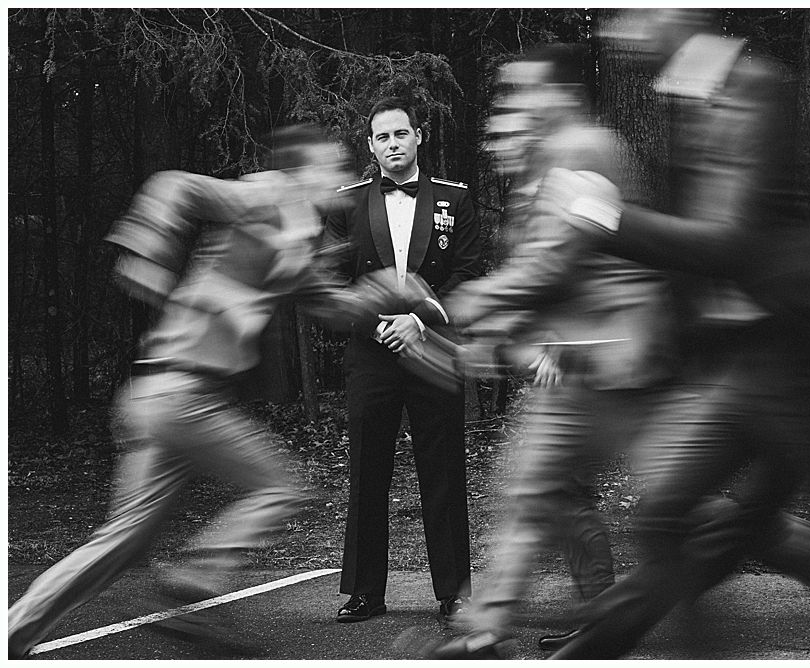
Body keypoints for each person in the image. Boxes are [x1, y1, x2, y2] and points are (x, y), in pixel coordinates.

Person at [536, 10, 810, 659]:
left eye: (637, 11)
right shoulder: (683, 95)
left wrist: (599, 215)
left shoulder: (752, 87)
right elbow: (693, 260)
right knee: (666, 517)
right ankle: (599, 647)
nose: (617, 27)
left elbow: (731, 241)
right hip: (740, 367)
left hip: (799, 368)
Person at [7, 125, 430, 659]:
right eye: (332, 165)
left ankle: (12, 634)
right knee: (281, 486)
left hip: (159, 394)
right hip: (185, 394)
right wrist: (149, 245)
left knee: (122, 541)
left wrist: (391, 289)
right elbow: (176, 186)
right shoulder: (268, 194)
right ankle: (198, 573)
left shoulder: (298, 234)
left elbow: (333, 306)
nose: (343, 175)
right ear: (302, 169)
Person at [427, 43, 678, 659]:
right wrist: (500, 332)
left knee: (688, 506)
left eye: (523, 90)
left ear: (559, 95)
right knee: (528, 489)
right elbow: (542, 275)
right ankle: (489, 629)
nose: (512, 104)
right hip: (574, 368)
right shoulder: (545, 165)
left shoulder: (586, 150)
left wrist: (477, 303)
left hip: (623, 363)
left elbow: (558, 260)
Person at [327, 97, 481, 624]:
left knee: (442, 468)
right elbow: (332, 282)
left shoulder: (455, 199)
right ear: (370, 146)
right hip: (371, 353)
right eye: (382, 138)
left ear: (419, 136)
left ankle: (454, 591)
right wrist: (375, 324)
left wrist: (421, 320)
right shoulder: (346, 203)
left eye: (400, 134)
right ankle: (366, 591)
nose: (392, 145)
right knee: (368, 469)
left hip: (433, 347)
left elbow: (469, 273)